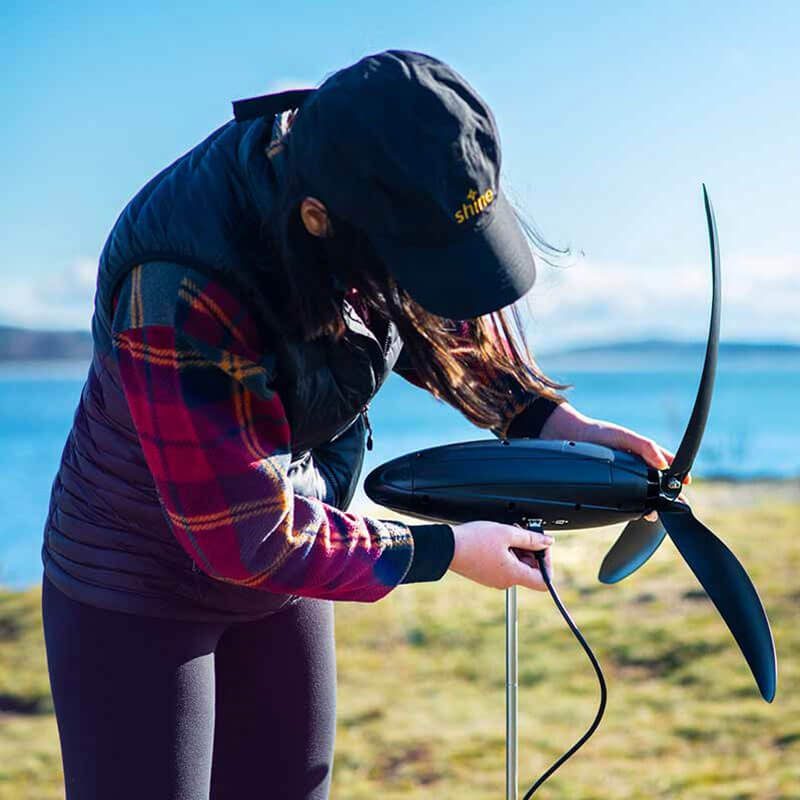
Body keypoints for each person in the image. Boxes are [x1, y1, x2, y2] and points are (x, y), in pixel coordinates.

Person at [40, 49, 688, 800]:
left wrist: (551, 418)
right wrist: (444, 550)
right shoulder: (181, 283)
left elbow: (434, 314)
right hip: (137, 581)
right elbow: (242, 535)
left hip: (286, 549)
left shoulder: (387, 156)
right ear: (317, 223)